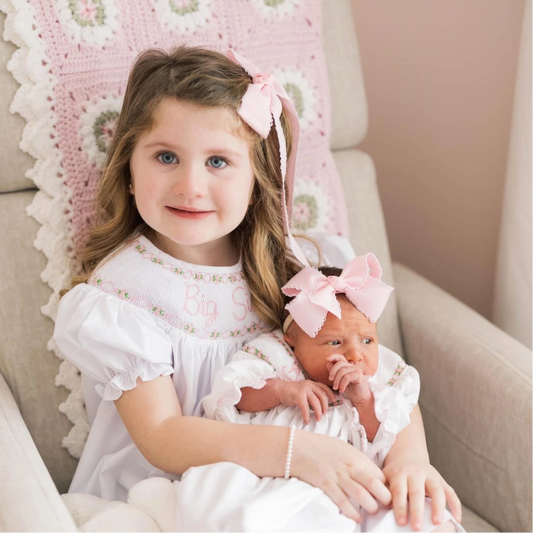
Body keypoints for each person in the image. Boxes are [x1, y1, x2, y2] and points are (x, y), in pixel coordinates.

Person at [53, 45, 462, 531]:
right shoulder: (124, 295)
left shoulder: (297, 269)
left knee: (404, 516)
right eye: (166, 156)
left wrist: (410, 458)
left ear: (257, 177)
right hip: (179, 485)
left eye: (219, 162)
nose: (190, 185)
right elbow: (162, 436)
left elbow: (380, 372)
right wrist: (299, 453)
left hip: (307, 470)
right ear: (129, 166)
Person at [201, 256, 464, 532]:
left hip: (356, 482)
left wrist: (363, 401)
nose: (354, 355)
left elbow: (382, 439)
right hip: (285, 475)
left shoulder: (379, 381)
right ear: (291, 341)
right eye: (335, 342)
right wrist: (282, 391)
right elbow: (234, 395)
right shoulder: (275, 357)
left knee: (420, 519)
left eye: (367, 341)